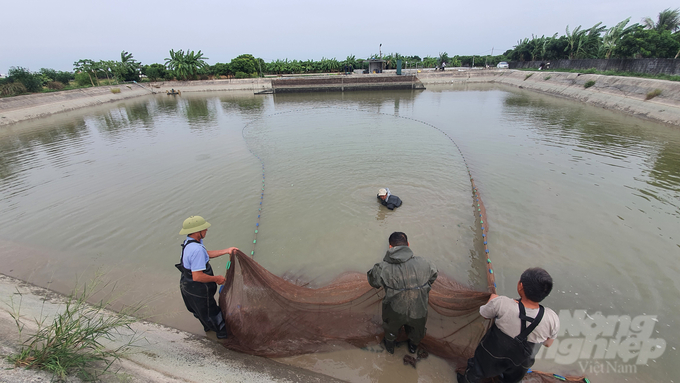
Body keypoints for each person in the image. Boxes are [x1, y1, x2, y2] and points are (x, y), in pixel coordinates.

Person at [458, 268, 560, 383]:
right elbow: (547, 344)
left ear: (520, 286)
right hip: (522, 363)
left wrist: (492, 299)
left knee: (477, 369)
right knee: (511, 380)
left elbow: (484, 314)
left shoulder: (502, 303)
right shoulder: (553, 318)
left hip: (492, 354)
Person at [367, 232, 438, 354]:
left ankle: (390, 348)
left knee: (391, 330)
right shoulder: (426, 263)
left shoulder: (382, 267)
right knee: (417, 332)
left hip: (394, 310)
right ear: (408, 245)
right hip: (418, 310)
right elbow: (433, 276)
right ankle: (412, 348)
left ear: (390, 247)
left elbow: (373, 281)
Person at [176, 215, 239, 339]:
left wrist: (226, 250)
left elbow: (205, 254)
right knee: (213, 314)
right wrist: (217, 279)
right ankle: (224, 339)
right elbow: (198, 276)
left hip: (186, 287)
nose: (206, 230)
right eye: (204, 228)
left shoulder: (190, 243)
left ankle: (209, 331)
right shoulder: (197, 250)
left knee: (201, 313)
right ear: (196, 232)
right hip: (198, 289)